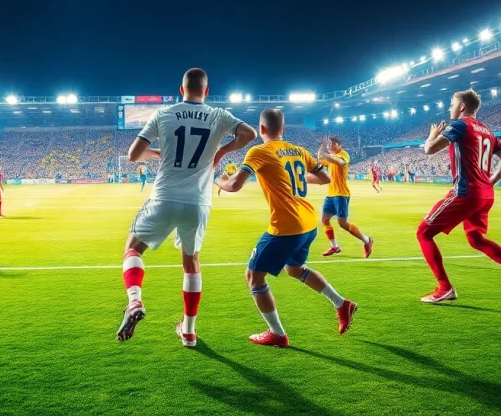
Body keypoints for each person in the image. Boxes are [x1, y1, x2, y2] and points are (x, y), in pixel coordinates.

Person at [117, 68, 257, 347]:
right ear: (206, 91)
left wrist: (159, 152)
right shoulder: (218, 115)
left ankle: (134, 302)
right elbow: (250, 134)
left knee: (132, 248)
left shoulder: (164, 114)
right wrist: (221, 151)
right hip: (198, 202)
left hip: (164, 197)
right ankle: (189, 332)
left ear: (181, 90)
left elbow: (133, 155)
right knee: (191, 263)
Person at [216, 109, 356, 348]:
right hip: (308, 222)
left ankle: (277, 334)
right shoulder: (299, 151)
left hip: (286, 226)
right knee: (294, 269)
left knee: (253, 277)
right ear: (283, 129)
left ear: (261, 129)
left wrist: (217, 179)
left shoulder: (259, 151)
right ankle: (341, 303)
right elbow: (325, 179)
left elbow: (235, 185)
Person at [416, 89, 501, 304]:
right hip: (485, 195)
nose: (450, 107)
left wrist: (431, 135)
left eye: (452, 103)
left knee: (423, 233)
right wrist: (492, 180)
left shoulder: (460, 125)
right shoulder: (487, 131)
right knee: (476, 239)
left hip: (466, 193)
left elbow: (429, 150)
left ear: (461, 107)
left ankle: (444, 287)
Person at [316, 137, 373, 258]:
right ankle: (334, 246)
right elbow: (320, 159)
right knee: (325, 220)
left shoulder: (343, 154)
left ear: (340, 145)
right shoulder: (330, 157)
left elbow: (341, 162)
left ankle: (367, 240)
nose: (330, 146)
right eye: (329, 144)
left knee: (342, 223)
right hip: (331, 194)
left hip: (341, 194)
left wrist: (326, 155)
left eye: (333, 144)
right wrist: (322, 146)